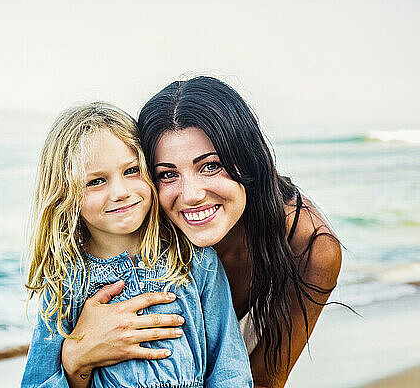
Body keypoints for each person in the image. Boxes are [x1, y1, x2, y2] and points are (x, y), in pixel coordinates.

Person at [60, 78, 342, 388]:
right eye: (167, 173)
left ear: (248, 158)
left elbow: (263, 381)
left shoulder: (309, 245)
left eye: (210, 166)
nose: (191, 194)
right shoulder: (142, 218)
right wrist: (77, 358)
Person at [21, 102, 254, 388]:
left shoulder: (193, 261)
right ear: (65, 195)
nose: (120, 192)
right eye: (96, 181)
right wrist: (75, 364)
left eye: (131, 170)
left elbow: (229, 368)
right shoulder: (65, 285)